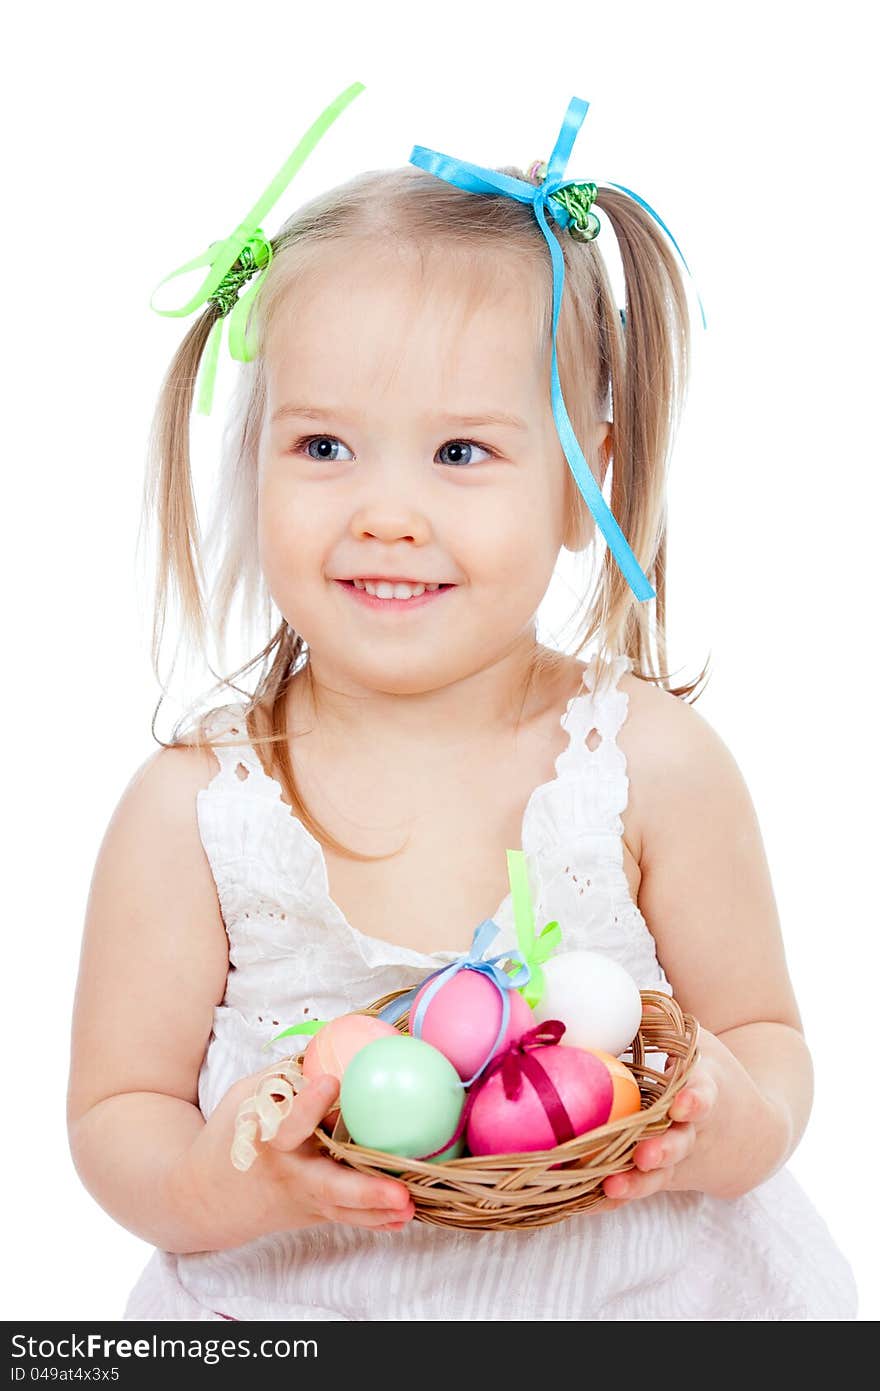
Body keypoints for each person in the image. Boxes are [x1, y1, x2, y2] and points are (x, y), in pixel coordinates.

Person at [67, 83, 858, 1321]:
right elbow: (118, 1117)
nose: (387, 509)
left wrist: (726, 1124)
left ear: (578, 485)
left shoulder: (649, 763)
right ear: (253, 450)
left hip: (643, 1300)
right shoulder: (193, 813)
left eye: (461, 452)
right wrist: (237, 1184)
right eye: (323, 446)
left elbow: (765, 1034)